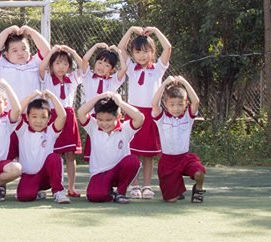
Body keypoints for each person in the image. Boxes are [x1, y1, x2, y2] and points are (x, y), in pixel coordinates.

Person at [118, 25, 172, 199]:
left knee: (149, 154)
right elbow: (120, 48)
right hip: (133, 113)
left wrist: (155, 31)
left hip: (151, 114)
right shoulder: (131, 68)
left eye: (146, 51)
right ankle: (134, 186)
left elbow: (168, 48)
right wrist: (130, 30)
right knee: (132, 151)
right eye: (138, 51)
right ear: (133, 53)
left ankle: (147, 186)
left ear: (152, 52)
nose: (141, 55)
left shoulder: (158, 69)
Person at [78, 91, 145, 203]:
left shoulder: (125, 129)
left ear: (118, 117)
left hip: (119, 172)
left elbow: (140, 118)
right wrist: (99, 97)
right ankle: (111, 194)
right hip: (99, 173)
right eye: (100, 119)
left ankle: (120, 193)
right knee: (94, 196)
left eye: (109, 120)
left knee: (133, 161)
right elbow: (81, 113)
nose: (104, 124)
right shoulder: (93, 127)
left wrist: (120, 103)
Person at [39, 44, 86, 197]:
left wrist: (72, 51)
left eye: (65, 63)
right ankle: (56, 187)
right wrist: (52, 51)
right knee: (54, 154)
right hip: (53, 117)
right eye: (57, 63)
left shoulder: (72, 78)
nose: (61, 67)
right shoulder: (47, 78)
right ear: (51, 65)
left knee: (70, 155)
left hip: (69, 117)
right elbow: (41, 68)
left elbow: (83, 66)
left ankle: (71, 187)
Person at [152, 76, 206, 203]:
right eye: (172, 105)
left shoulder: (188, 117)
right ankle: (177, 190)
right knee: (171, 200)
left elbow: (196, 101)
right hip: (168, 161)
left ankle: (198, 189)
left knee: (199, 173)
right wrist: (165, 83)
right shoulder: (162, 118)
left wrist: (184, 82)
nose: (176, 108)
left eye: (180, 104)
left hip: (185, 158)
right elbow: (154, 103)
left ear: (186, 103)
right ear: (165, 104)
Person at [14, 90, 69, 204]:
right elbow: (16, 112)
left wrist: (52, 96)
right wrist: (31, 96)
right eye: (34, 117)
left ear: (49, 119)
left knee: (54, 158)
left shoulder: (51, 131)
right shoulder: (22, 130)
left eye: (43, 117)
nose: (38, 121)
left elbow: (62, 116)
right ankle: (37, 193)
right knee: (24, 196)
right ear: (27, 117)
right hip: (29, 175)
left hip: (46, 176)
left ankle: (58, 192)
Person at [0, 24, 50, 102]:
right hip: (9, 109)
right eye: (15, 50)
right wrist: (7, 31)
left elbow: (46, 50)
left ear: (29, 50)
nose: (20, 53)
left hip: (32, 109)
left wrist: (31, 32)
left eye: (24, 49)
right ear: (6, 54)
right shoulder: (1, 65)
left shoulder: (35, 63)